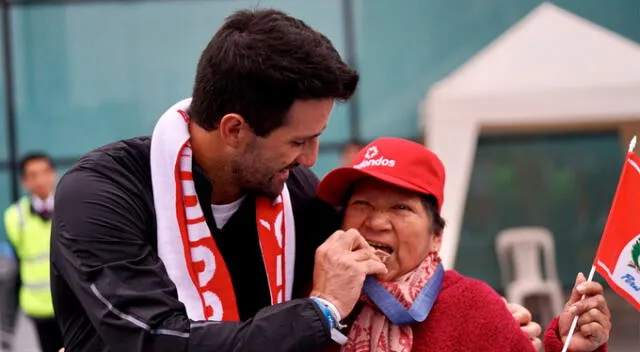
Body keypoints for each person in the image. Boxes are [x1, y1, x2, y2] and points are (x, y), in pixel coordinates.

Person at [52, 9, 547, 352]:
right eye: (297, 141)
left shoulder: (294, 190)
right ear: (234, 129)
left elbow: (390, 275)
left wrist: (488, 318)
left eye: (318, 138)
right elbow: (156, 341)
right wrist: (321, 312)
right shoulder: (102, 196)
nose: (310, 158)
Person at [316, 137, 611, 352]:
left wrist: (572, 349)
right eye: (362, 204)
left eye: (401, 208)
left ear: (436, 238)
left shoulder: (476, 308)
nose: (377, 223)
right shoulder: (315, 298)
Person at [4, 153, 64, 352]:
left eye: (44, 173)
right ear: (24, 181)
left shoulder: (68, 207)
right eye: (32, 175)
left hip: (70, 299)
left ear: (53, 174)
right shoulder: (14, 217)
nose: (39, 180)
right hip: (38, 303)